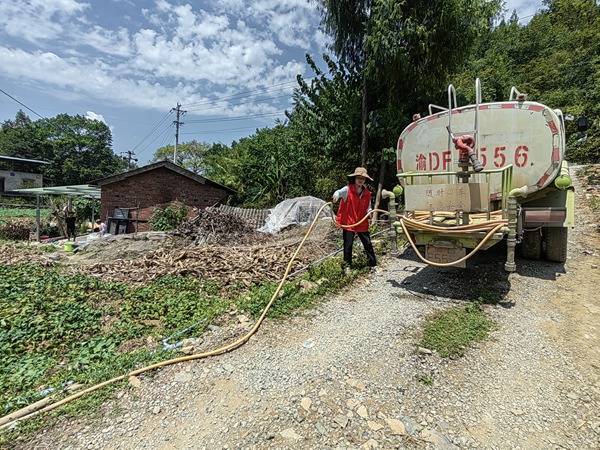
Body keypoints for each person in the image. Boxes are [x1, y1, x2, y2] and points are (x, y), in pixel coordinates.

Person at [333, 167, 378, 274]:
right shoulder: (347, 190)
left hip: (361, 222)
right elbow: (338, 192)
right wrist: (336, 195)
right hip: (349, 222)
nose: (360, 180)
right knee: (348, 245)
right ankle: (347, 266)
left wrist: (370, 212)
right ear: (355, 178)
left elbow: (368, 207)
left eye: (362, 178)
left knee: (367, 243)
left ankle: (373, 265)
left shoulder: (367, 193)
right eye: (358, 178)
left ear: (365, 180)